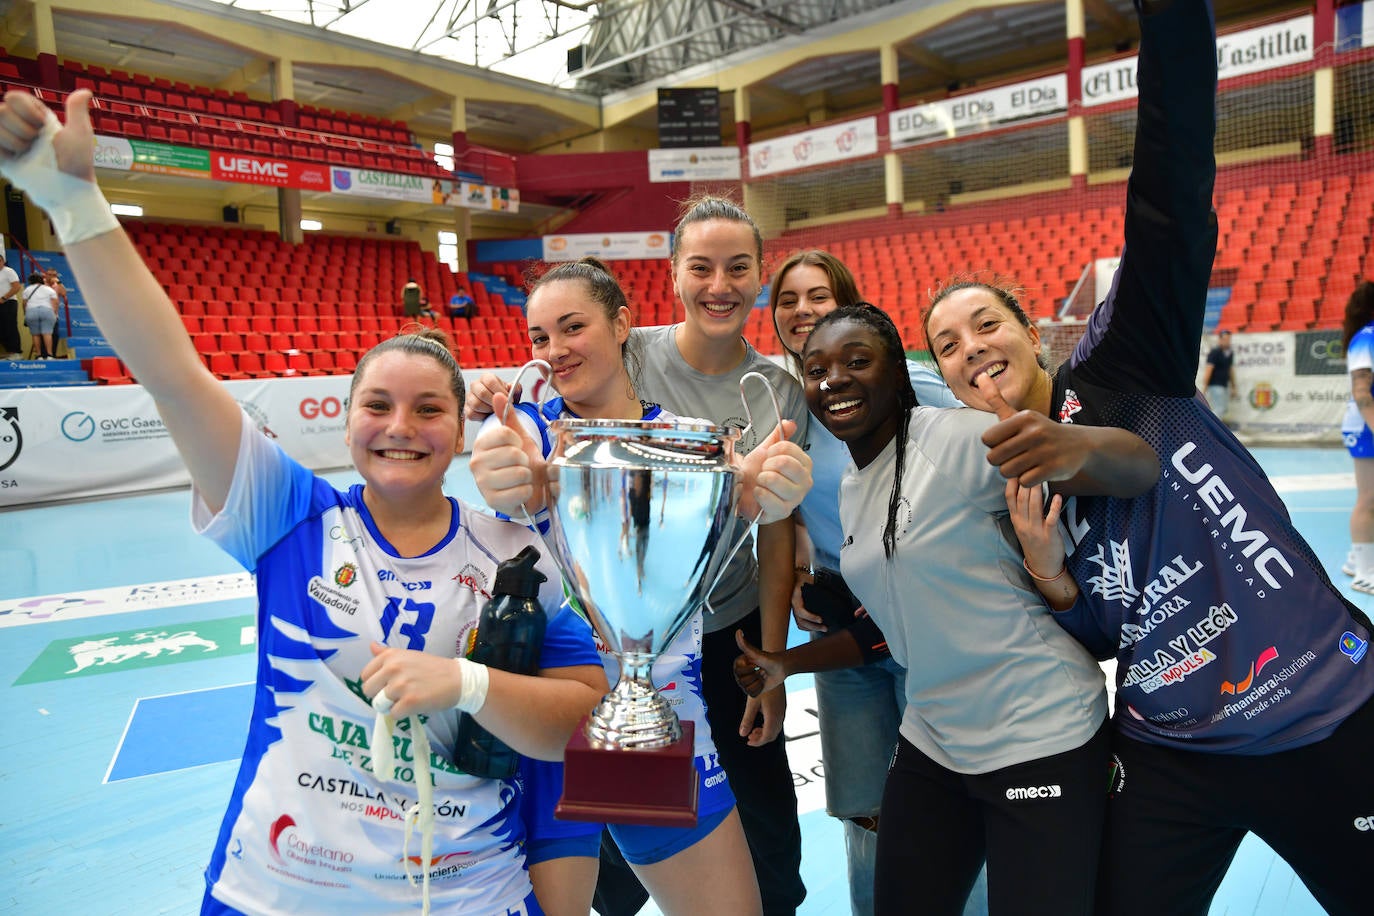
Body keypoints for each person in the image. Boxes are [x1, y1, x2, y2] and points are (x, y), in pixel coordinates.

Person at [0, 88, 616, 916]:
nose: (401, 427)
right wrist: (74, 201)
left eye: (430, 408)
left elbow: (569, 730)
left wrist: (466, 684)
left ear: (458, 429)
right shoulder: (289, 514)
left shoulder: (513, 555)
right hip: (277, 893)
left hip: (469, 896)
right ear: (349, 418)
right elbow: (172, 375)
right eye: (379, 406)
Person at [920, 3, 1374, 913]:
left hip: (1324, 707)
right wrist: (1050, 578)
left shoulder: (1126, 362)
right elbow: (1096, 640)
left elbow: (1170, 186)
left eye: (985, 324)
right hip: (1173, 755)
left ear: (1030, 334)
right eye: (946, 346)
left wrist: (1169, 16)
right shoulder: (994, 492)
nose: (970, 348)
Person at [738, 301, 1158, 916]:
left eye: (858, 361)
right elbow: (897, 631)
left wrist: (1070, 446)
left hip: (1039, 733)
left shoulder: (956, 439)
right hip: (934, 739)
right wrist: (786, 664)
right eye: (816, 368)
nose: (833, 380)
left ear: (900, 373)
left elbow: (1135, 465)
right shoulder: (855, 487)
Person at [467, 195, 810, 916]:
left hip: (656, 728)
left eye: (573, 327)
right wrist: (495, 461)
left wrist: (765, 493)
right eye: (539, 334)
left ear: (624, 324)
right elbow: (497, 487)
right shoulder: (526, 434)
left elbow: (753, 503)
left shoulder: (689, 444)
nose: (556, 348)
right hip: (541, 727)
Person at [767, 249, 975, 916]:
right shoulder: (783, 409)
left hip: (930, 624)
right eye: (789, 299)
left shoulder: (913, 386)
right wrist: (801, 570)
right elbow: (791, 514)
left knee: (957, 794)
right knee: (865, 806)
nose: (803, 310)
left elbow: (986, 435)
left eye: (818, 296)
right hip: (845, 633)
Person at [1342, 280, 1374, 594]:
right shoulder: (1366, 338)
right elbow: (1362, 391)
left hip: (1367, 424)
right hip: (1366, 427)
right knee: (1369, 498)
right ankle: (1365, 572)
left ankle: (1356, 557)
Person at [21, 270, 59, 359]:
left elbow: (24, 304)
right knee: (47, 333)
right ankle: (49, 355)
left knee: (35, 334)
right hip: (46, 310)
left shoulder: (27, 290)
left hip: (31, 311)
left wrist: (26, 314)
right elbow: (55, 302)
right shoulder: (48, 289)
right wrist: (54, 313)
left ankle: (39, 355)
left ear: (30, 281)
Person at [1202, 327, 1235, 420]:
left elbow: (1230, 370)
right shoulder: (1214, 352)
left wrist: (1233, 386)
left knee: (1223, 408)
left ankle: (1213, 428)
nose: (1227, 341)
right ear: (1220, 339)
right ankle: (1213, 431)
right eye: (1225, 339)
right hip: (1215, 385)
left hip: (1224, 384)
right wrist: (1205, 387)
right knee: (1218, 409)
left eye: (1229, 339)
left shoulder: (1229, 353)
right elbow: (1209, 369)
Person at [0, 251, 21, 358]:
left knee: (10, 326)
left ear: (3, 261)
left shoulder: (9, 271)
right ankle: (8, 352)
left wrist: (4, 298)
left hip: (9, 302)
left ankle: (16, 352)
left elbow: (17, 287)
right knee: (2, 328)